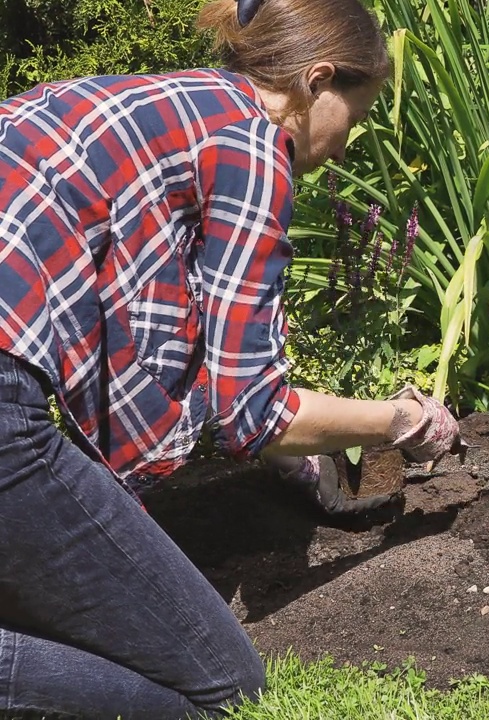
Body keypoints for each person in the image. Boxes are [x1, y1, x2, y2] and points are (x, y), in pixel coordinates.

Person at [0, 0, 460, 715]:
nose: (343, 149)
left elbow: (142, 337)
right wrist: (402, 419)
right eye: (355, 118)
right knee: (225, 689)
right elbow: (258, 415)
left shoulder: (134, 103)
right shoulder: (250, 145)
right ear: (317, 81)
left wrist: (282, 445)